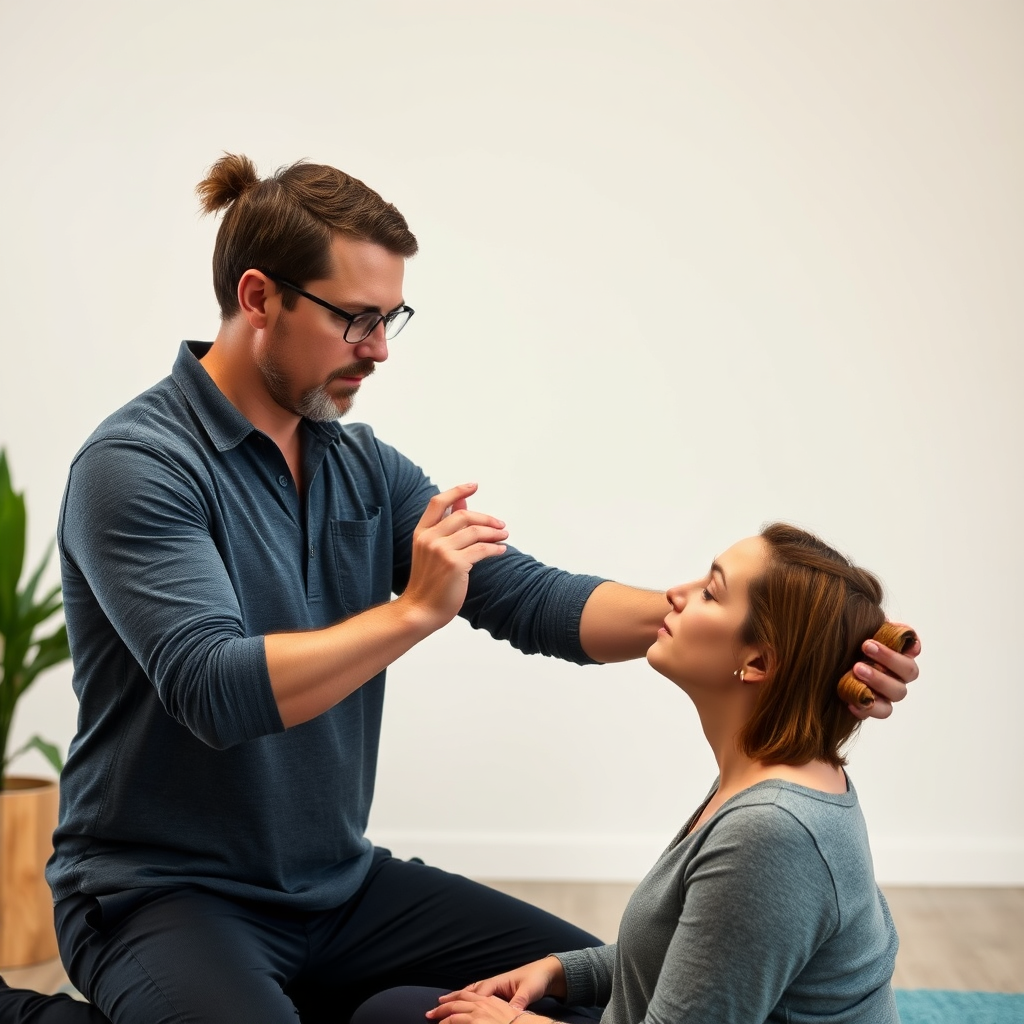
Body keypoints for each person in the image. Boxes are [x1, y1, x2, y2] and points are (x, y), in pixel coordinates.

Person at [0, 157, 919, 1024]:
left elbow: (531, 599)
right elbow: (215, 687)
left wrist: (796, 647)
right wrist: (410, 615)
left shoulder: (361, 467)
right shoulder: (139, 466)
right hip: (161, 894)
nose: (379, 351)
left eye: (391, 321)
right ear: (258, 299)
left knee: (607, 995)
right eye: (356, 319)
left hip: (338, 887)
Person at [353, 523, 908, 1024]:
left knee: (392, 1018)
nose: (675, 594)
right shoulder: (770, 777)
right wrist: (559, 971)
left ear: (759, 663)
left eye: (711, 592)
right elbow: (698, 953)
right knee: (399, 1009)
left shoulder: (774, 830)